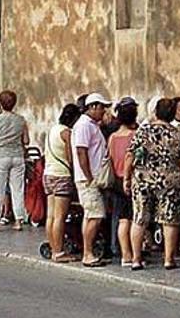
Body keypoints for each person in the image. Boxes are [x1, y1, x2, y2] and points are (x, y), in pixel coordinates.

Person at [125, 98, 180, 270]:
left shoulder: (143, 131)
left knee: (139, 218)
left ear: (156, 112)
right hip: (170, 179)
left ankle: (136, 259)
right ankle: (168, 259)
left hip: (143, 179)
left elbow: (131, 155)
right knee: (169, 219)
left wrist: (127, 178)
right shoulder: (178, 133)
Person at [71, 93, 111, 267]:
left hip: (90, 178)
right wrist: (89, 177)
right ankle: (87, 253)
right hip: (88, 179)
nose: (103, 111)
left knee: (90, 216)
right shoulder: (84, 126)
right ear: (93, 107)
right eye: (101, 107)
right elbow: (81, 152)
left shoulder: (91, 125)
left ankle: (88, 251)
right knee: (96, 215)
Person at [0, 90, 30, 232]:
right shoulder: (21, 120)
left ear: (0, 103)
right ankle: (18, 221)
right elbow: (27, 141)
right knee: (18, 189)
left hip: (0, 156)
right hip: (17, 156)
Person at [44, 103, 82, 263]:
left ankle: (54, 248)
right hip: (62, 175)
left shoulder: (53, 129)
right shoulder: (67, 133)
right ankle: (59, 252)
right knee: (60, 217)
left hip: (48, 174)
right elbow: (71, 157)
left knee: (51, 216)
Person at [108, 97, 138, 267]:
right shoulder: (135, 136)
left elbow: (110, 158)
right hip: (132, 180)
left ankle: (125, 254)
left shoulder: (112, 137)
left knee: (122, 219)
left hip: (117, 180)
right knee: (134, 219)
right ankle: (134, 254)